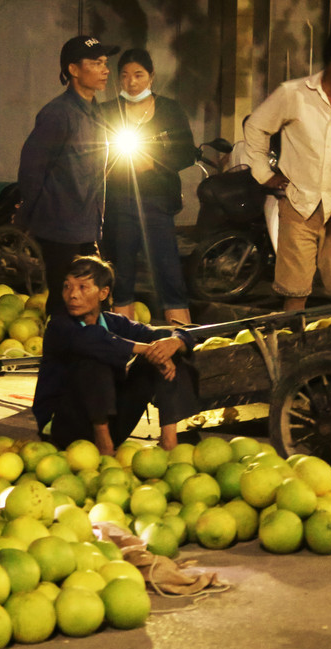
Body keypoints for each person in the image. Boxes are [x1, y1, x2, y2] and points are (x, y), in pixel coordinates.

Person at [234, 29, 331, 311]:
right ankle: (293, 344)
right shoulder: (294, 94)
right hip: (299, 205)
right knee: (295, 291)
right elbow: (256, 126)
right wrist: (264, 174)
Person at [32, 256, 198, 455]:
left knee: (165, 349)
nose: (72, 294)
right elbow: (94, 340)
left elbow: (164, 333)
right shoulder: (59, 325)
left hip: (114, 424)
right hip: (64, 425)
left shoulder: (114, 322)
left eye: (83, 287)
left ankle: (169, 441)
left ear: (103, 293)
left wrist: (174, 342)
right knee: (95, 359)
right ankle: (104, 446)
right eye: (67, 286)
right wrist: (147, 349)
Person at [16, 34, 120, 317]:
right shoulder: (58, 114)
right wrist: (30, 217)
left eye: (105, 63)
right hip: (60, 228)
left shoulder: (95, 111)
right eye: (96, 63)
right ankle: (59, 357)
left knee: (95, 302)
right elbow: (32, 168)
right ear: (73, 70)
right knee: (67, 303)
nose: (105, 70)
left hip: (87, 225)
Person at [101, 48, 197, 326]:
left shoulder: (169, 109)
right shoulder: (106, 111)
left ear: (151, 77)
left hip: (157, 200)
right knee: (121, 268)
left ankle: (181, 332)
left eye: (138, 75)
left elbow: (186, 151)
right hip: (118, 199)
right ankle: (122, 335)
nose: (131, 82)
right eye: (125, 75)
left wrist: (154, 163)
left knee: (166, 266)